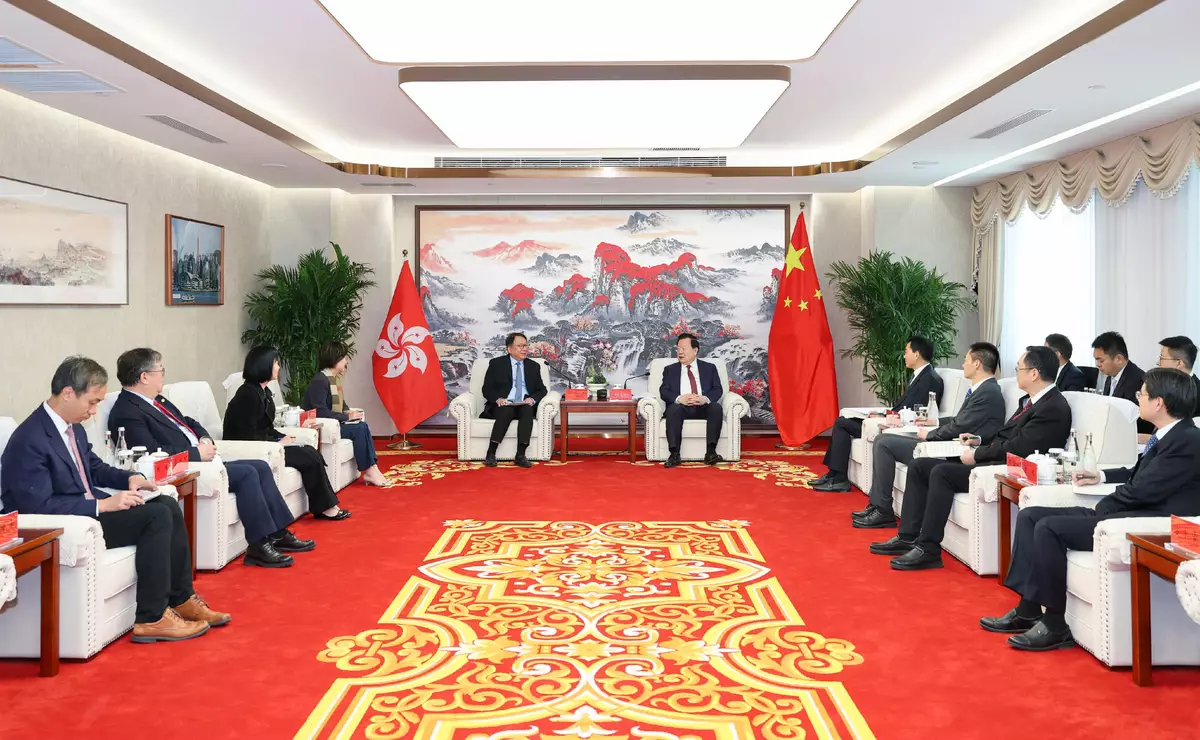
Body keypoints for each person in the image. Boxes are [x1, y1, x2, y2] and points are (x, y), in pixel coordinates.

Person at [1, 356, 228, 642]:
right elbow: (37, 507)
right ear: (68, 393)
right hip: (67, 523)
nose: (94, 412)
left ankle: (182, 599)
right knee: (156, 516)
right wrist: (102, 505)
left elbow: (94, 467)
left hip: (87, 512)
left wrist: (129, 478)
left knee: (166, 504)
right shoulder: (30, 439)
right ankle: (151, 618)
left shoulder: (72, 427)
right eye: (92, 402)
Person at [980, 368, 1200, 651]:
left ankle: (1055, 625)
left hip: (1146, 523)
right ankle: (1028, 609)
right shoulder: (1169, 435)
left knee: (1049, 528)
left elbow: (1145, 489)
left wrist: (1105, 504)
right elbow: (1139, 474)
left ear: (1159, 403)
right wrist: (1102, 476)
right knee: (1030, 516)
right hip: (1127, 512)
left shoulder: (1187, 441)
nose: (1138, 398)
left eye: (1142, 394)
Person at [870, 346, 1072, 570]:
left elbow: (1018, 448)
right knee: (920, 466)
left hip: (1006, 469)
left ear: (1034, 373)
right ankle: (907, 537)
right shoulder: (1031, 401)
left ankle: (928, 548)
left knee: (941, 472)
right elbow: (1004, 435)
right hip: (994, 456)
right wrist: (978, 440)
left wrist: (977, 454)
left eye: (1019, 369)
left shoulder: (1052, 407)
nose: (1016, 373)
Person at [108, 348, 307, 568]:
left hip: (203, 457)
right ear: (144, 377)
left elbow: (188, 422)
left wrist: (203, 438)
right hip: (186, 467)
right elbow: (150, 452)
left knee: (261, 466)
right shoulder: (127, 411)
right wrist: (196, 454)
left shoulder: (157, 400)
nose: (163, 375)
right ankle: (258, 546)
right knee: (248, 472)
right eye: (160, 371)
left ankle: (278, 533)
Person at [852, 342, 1007, 529]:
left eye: (966, 360)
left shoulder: (988, 392)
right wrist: (935, 421)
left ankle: (882, 510)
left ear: (977, 363)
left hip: (955, 451)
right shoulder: (983, 389)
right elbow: (961, 419)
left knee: (884, 443)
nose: (962, 364)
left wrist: (930, 435)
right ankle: (878, 505)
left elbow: (959, 426)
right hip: (951, 443)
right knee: (883, 440)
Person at [224, 346, 350, 523]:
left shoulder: (263, 392)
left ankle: (326, 505)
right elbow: (247, 435)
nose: (278, 367)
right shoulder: (247, 395)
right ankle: (326, 508)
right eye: (276, 363)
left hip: (267, 443)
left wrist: (281, 437)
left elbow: (266, 427)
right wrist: (277, 442)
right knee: (307, 456)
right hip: (253, 448)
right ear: (264, 365)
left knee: (310, 451)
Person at [812, 336, 945, 493]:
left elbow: (917, 413)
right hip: (889, 421)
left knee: (843, 423)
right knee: (843, 420)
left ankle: (839, 477)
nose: (904, 356)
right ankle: (834, 474)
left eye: (906, 351)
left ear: (916, 354)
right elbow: (903, 407)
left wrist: (885, 418)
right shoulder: (919, 375)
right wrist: (881, 414)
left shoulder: (930, 379)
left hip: (896, 428)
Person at [301, 341, 389, 487]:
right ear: (334, 359)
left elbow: (341, 404)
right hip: (322, 427)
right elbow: (320, 411)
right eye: (343, 358)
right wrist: (347, 417)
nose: (346, 361)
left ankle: (372, 467)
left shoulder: (332, 379)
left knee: (362, 426)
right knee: (359, 429)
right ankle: (369, 470)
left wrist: (348, 411)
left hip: (334, 423)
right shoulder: (320, 381)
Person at [480, 332, 548, 468]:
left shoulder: (533, 366)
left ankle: (521, 455)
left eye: (526, 346)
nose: (524, 349)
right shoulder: (496, 364)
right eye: (520, 346)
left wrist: (532, 399)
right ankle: (491, 453)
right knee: (506, 411)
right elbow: (487, 388)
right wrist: (498, 399)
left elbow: (542, 389)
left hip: (523, 403)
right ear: (509, 349)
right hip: (504, 403)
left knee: (527, 410)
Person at [659, 333, 725, 468]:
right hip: (681, 408)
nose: (680, 352)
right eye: (678, 349)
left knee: (716, 408)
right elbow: (664, 391)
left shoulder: (709, 368)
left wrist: (704, 399)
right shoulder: (670, 370)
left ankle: (711, 453)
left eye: (684, 348)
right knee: (673, 408)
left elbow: (717, 389)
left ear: (695, 350)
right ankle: (674, 454)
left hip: (702, 407)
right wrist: (679, 399)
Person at [1091, 331, 1151, 435]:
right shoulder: (1111, 375)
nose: (1098, 365)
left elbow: (1137, 421)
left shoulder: (1138, 380)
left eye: (1101, 361)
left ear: (1119, 359)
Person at [1156, 336, 1200, 417]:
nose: (1158, 363)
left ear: (1179, 363)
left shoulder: (1197, 395)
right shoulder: (1160, 385)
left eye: (1162, 358)